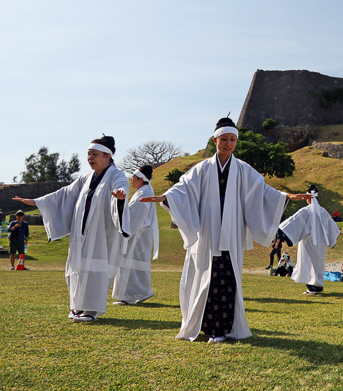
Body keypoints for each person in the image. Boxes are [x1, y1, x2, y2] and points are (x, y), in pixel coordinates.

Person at [139, 118, 312, 342]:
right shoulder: (202, 168)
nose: (228, 144)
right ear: (215, 140)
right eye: (224, 140)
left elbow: (262, 190)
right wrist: (166, 197)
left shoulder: (242, 169)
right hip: (208, 234)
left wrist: (286, 196)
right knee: (207, 278)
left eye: (232, 140)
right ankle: (208, 327)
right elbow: (183, 188)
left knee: (227, 279)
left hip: (232, 234)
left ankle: (222, 329)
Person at [14, 136, 131, 323]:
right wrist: (36, 201)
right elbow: (65, 193)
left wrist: (120, 197)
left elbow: (122, 188)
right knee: (76, 267)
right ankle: (76, 307)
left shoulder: (117, 176)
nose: (90, 158)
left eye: (94, 154)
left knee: (95, 269)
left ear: (107, 156)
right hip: (81, 233)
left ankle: (91, 311)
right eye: (88, 154)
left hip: (101, 234)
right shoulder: (86, 177)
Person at [278, 185, 341, 295]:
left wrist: (282, 231)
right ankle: (318, 286)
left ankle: (313, 288)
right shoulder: (323, 211)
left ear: (308, 197)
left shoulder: (306, 211)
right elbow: (332, 227)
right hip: (320, 244)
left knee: (308, 263)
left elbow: (294, 221)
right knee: (318, 264)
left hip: (309, 243)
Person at [112, 165, 159, 306]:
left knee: (129, 264)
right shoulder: (144, 191)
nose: (131, 180)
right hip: (140, 235)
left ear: (140, 179)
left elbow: (133, 217)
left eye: (132, 177)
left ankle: (129, 296)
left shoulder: (144, 193)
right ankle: (142, 292)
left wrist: (123, 226)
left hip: (138, 235)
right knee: (135, 265)